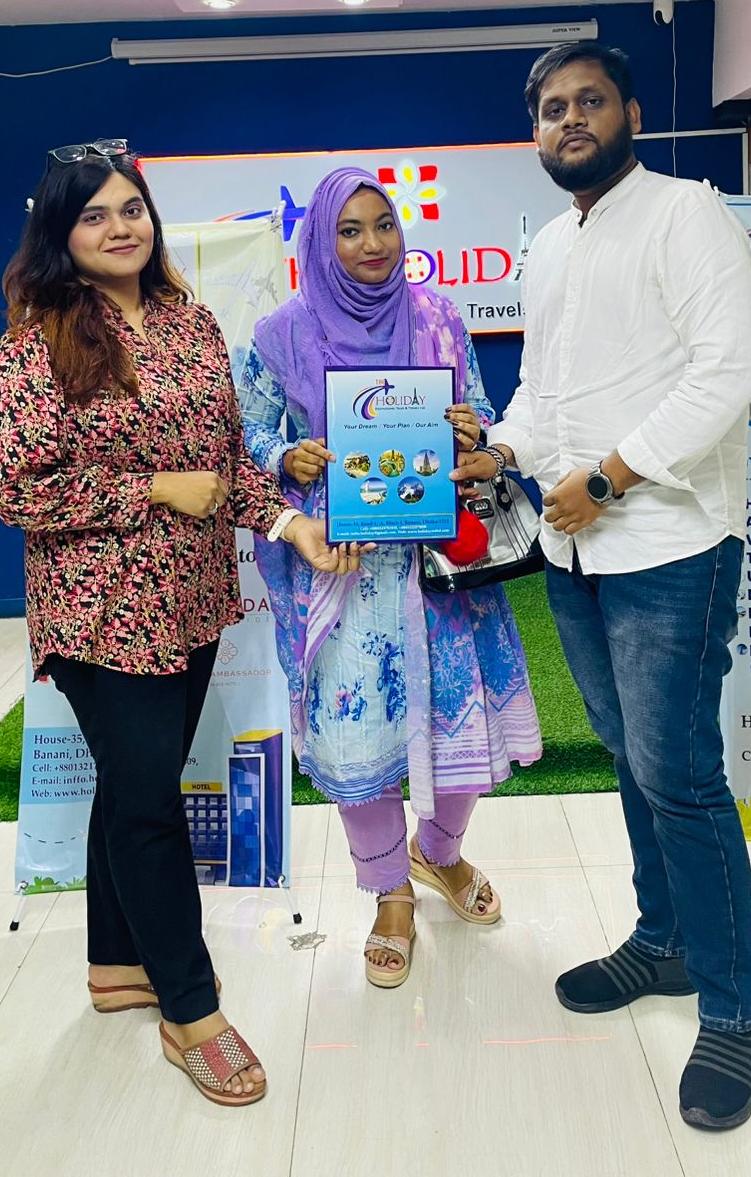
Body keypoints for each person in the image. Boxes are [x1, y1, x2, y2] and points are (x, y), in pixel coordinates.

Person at [0, 139, 360, 1109]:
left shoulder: (191, 323)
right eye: (94, 215)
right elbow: (16, 488)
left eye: (131, 208)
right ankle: (191, 1010)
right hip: (100, 615)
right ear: (60, 233)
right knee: (149, 803)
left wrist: (291, 524)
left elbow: (227, 463)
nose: (120, 227)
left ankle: (117, 965)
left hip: (190, 600)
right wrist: (149, 486)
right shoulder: (34, 343)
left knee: (133, 784)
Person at [454, 43, 751, 1131]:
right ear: (535, 131)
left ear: (630, 111)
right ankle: (663, 940)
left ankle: (731, 1008)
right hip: (575, 551)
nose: (570, 119)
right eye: (551, 108)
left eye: (589, 101)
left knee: (681, 773)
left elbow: (727, 373)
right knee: (632, 758)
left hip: (671, 543)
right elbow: (546, 395)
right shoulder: (549, 245)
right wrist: (501, 450)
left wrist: (609, 478)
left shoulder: (688, 214)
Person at [239, 167, 542, 987]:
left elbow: (480, 410)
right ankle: (390, 894)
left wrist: (470, 426)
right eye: (350, 230)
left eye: (384, 225)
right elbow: (248, 437)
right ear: (320, 241)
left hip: (439, 567)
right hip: (344, 570)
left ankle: (439, 851)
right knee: (356, 732)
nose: (373, 244)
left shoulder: (438, 315)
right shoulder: (280, 334)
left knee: (459, 720)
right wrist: (286, 455)